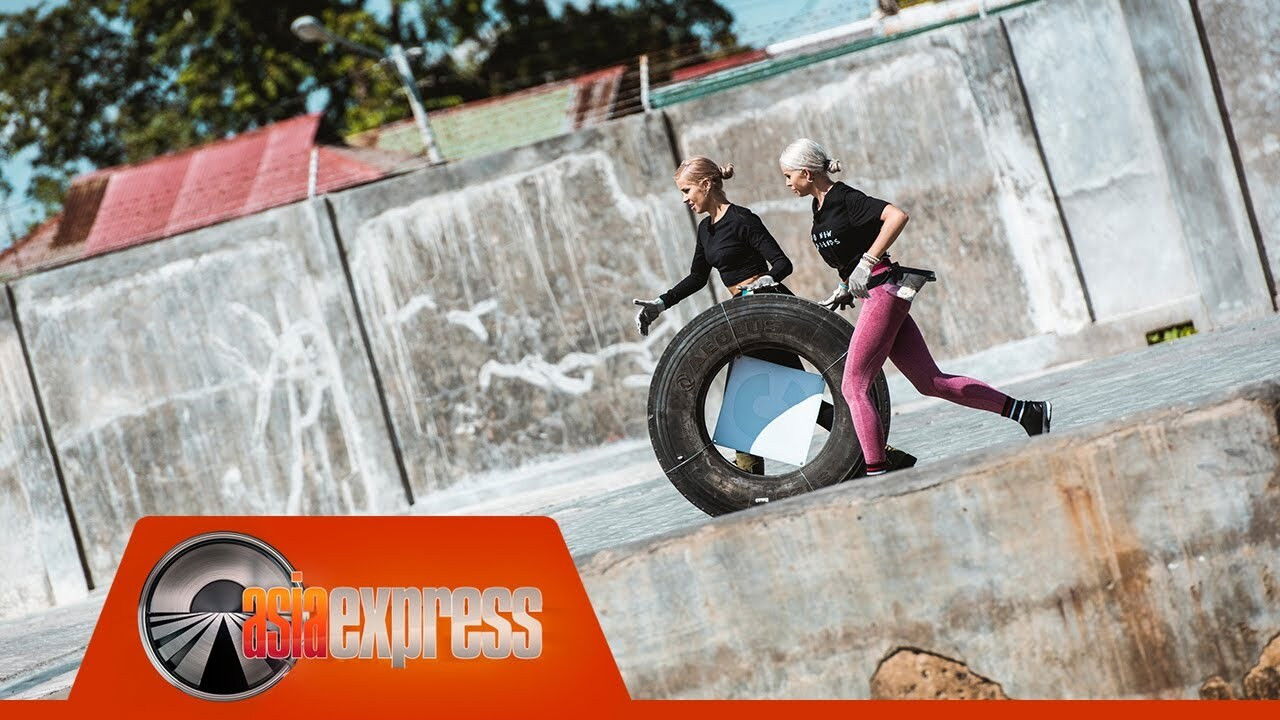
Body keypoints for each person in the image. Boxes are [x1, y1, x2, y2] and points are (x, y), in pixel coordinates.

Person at [778, 138, 1051, 476]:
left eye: (788, 176)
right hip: (873, 293)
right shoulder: (818, 207)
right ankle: (1028, 412)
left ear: (806, 173)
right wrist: (846, 286)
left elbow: (897, 216)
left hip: (883, 289)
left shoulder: (845, 197)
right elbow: (848, 249)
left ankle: (878, 472)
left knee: (853, 385)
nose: (787, 183)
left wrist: (867, 262)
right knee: (930, 381)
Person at [633, 156, 849, 475]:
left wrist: (764, 281)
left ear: (706, 184)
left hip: (767, 308)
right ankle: (751, 471)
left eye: (687, 190)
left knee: (761, 387)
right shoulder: (706, 230)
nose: (684, 199)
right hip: (741, 312)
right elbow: (697, 278)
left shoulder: (742, 219)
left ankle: (750, 472)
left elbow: (782, 264)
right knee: (771, 388)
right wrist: (660, 303)